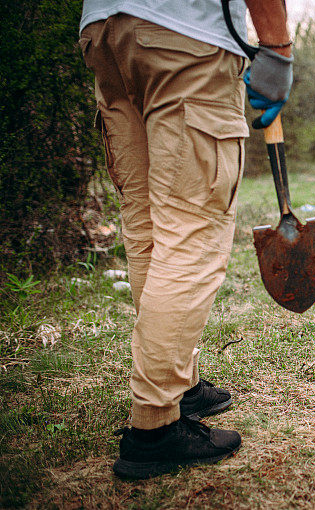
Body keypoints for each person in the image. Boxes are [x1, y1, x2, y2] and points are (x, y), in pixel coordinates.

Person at [78, 0, 293, 479]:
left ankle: (180, 382)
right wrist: (276, 51)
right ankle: (154, 427)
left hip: (106, 33)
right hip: (184, 39)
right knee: (191, 234)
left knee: (149, 228)